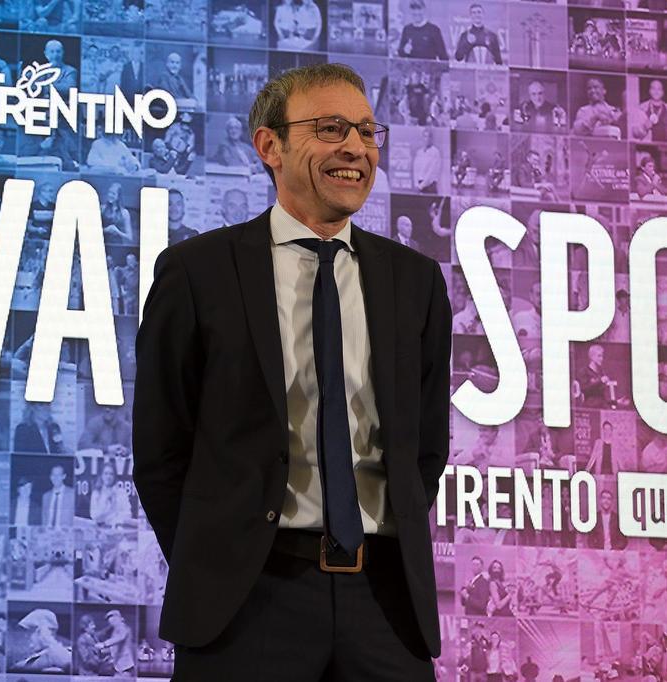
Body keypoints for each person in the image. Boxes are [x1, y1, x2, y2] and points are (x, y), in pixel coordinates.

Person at [133, 63, 450, 677]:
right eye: (331, 129)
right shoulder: (197, 273)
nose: (356, 148)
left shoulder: (416, 282)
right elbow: (160, 453)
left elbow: (426, 451)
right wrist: (221, 563)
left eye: (367, 131)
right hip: (245, 604)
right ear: (270, 146)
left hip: (386, 606)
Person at [89, 461, 133, 527]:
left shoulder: (121, 492)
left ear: (114, 477)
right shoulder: (96, 493)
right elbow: (94, 515)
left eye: (111, 474)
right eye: (106, 473)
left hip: (118, 527)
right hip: (100, 528)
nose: (108, 477)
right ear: (101, 476)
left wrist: (115, 519)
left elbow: (128, 513)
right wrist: (106, 501)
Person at [413, 127, 440, 194]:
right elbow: (415, 169)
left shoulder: (435, 152)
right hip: (419, 185)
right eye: (425, 136)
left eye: (429, 137)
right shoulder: (419, 152)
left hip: (429, 186)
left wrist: (421, 186)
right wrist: (416, 184)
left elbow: (431, 172)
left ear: (431, 139)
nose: (427, 139)